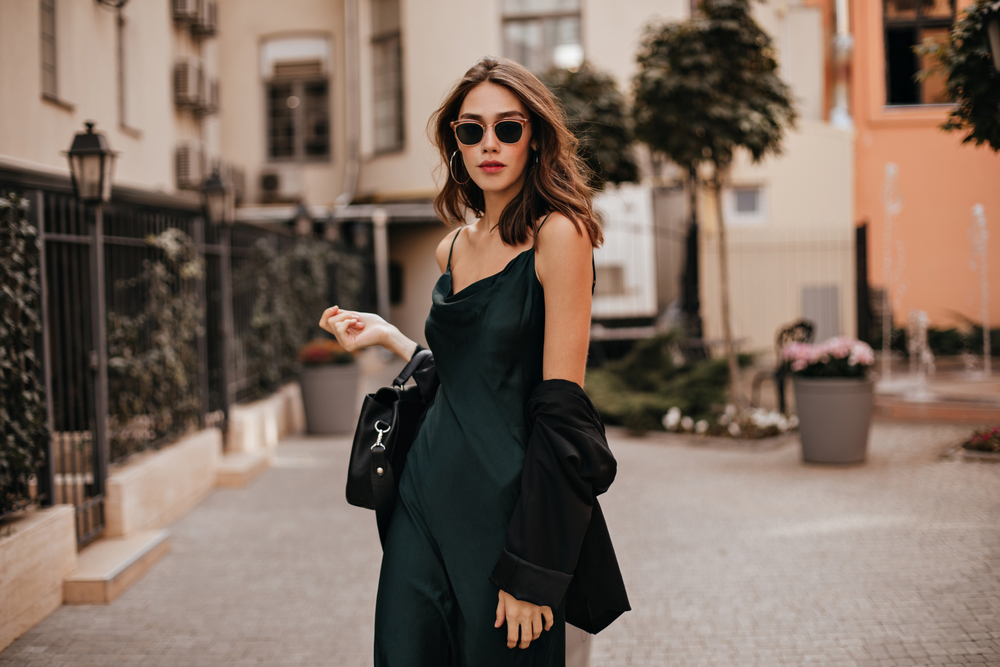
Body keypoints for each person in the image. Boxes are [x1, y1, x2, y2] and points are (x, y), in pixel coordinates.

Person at [320, 56, 626, 667]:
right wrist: (389, 337)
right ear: (455, 143)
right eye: (471, 130)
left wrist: (533, 567)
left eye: (508, 128)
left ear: (534, 137)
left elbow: (563, 410)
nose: (490, 144)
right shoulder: (452, 247)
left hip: (506, 510)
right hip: (421, 498)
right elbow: (469, 375)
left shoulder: (559, 234)